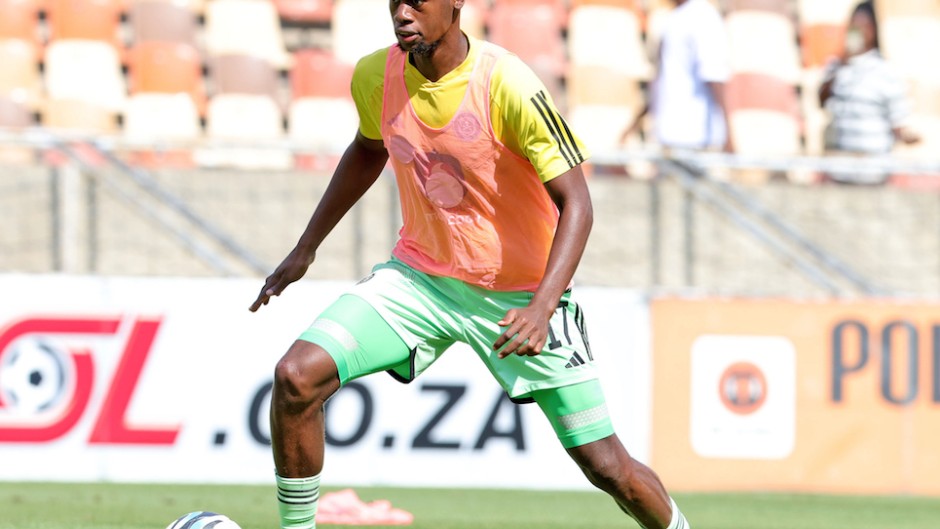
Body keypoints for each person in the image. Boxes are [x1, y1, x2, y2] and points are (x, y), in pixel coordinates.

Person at [249, 0, 692, 528]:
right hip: (420, 281)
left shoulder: (508, 83)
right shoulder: (376, 74)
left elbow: (578, 203)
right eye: (395, 0)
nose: (403, 12)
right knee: (296, 377)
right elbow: (369, 149)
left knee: (608, 468)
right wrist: (306, 247)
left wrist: (543, 307)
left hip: (521, 298)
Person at [818, 0, 920, 184]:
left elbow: (898, 120)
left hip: (873, 171)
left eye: (863, 26)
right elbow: (821, 101)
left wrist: (907, 135)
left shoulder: (885, 71)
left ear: (873, 30)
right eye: (854, 27)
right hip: (840, 169)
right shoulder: (837, 66)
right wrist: (841, 65)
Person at [620, 0, 732, 153]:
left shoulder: (703, 16)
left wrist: (729, 135)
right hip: (670, 135)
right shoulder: (673, 18)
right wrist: (634, 125)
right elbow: (662, 81)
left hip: (695, 136)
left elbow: (714, 77)